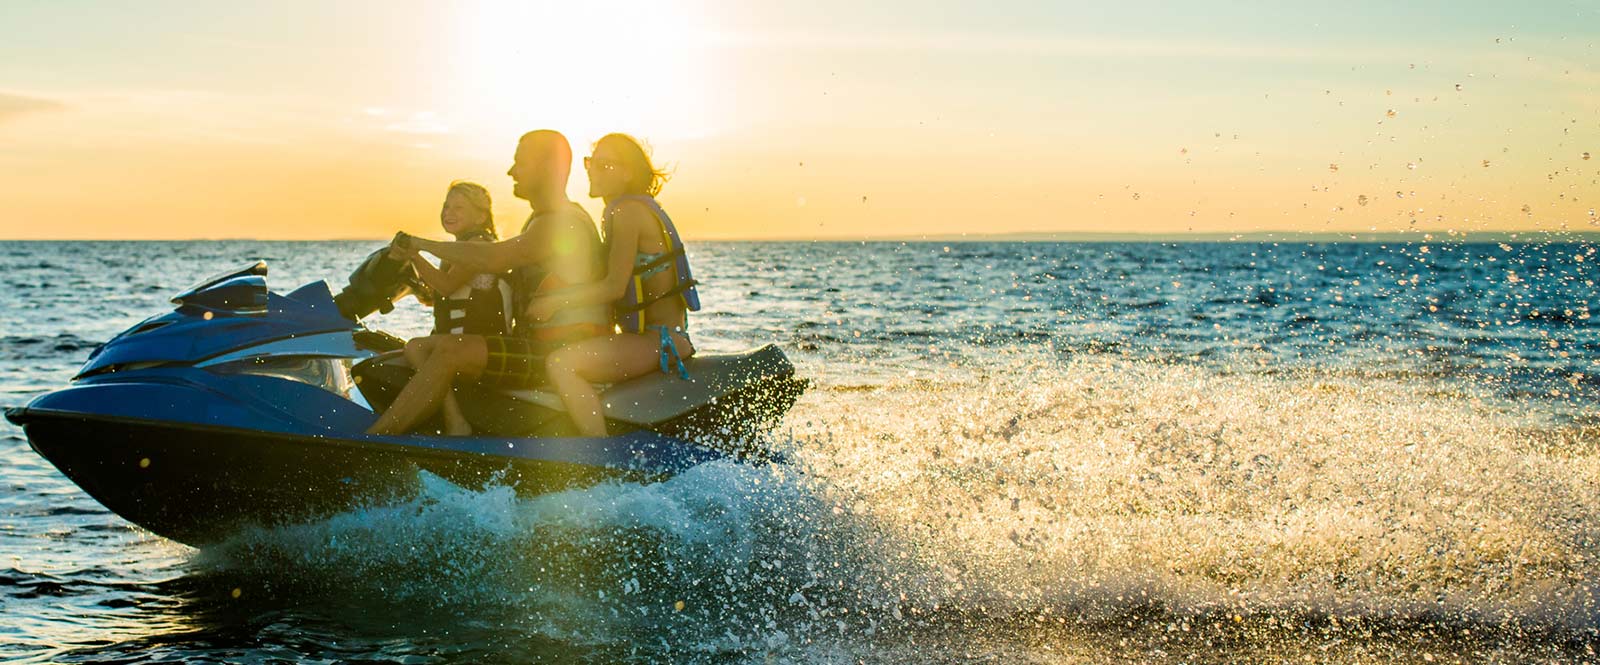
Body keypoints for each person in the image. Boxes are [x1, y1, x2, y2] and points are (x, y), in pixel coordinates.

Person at [365, 130, 607, 436]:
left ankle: (377, 438)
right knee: (417, 348)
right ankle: (448, 425)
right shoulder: (541, 220)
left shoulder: (562, 222)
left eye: (520, 162)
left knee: (450, 351)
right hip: (536, 344)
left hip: (560, 349)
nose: (511, 171)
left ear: (548, 166)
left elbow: (492, 258)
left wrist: (420, 245)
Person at [527, 133, 701, 437]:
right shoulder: (633, 208)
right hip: (663, 338)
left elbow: (614, 287)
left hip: (658, 341)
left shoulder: (626, 212)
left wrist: (553, 302)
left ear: (628, 172)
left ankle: (600, 454)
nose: (593, 171)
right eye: (591, 163)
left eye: (605, 166)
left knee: (561, 364)